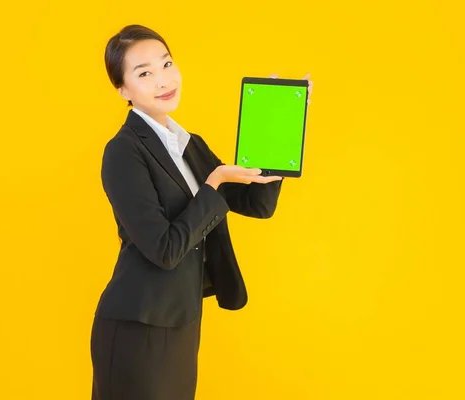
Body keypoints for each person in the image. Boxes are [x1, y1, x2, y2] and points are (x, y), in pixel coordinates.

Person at [90, 24, 312, 400]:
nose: (163, 79)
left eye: (166, 64)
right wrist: (213, 183)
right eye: (144, 73)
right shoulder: (123, 152)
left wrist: (277, 127)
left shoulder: (188, 145)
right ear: (123, 90)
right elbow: (164, 249)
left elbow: (256, 204)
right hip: (136, 327)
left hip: (181, 321)